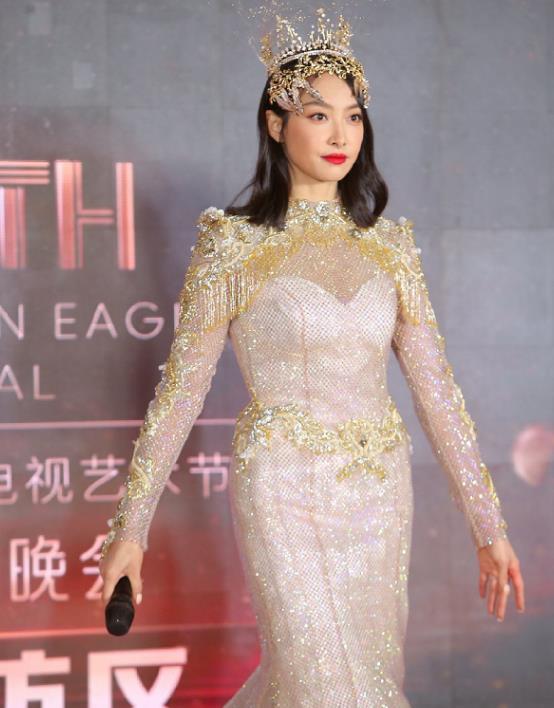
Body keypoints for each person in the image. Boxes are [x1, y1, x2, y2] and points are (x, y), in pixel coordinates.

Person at [99, 6, 525, 705]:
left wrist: (489, 527)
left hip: (379, 488)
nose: (339, 135)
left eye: (353, 117)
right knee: (322, 682)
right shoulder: (232, 244)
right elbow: (181, 392)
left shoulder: (391, 246)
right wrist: (130, 530)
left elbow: (436, 391)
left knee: (365, 681)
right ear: (275, 124)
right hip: (283, 486)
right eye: (318, 115)